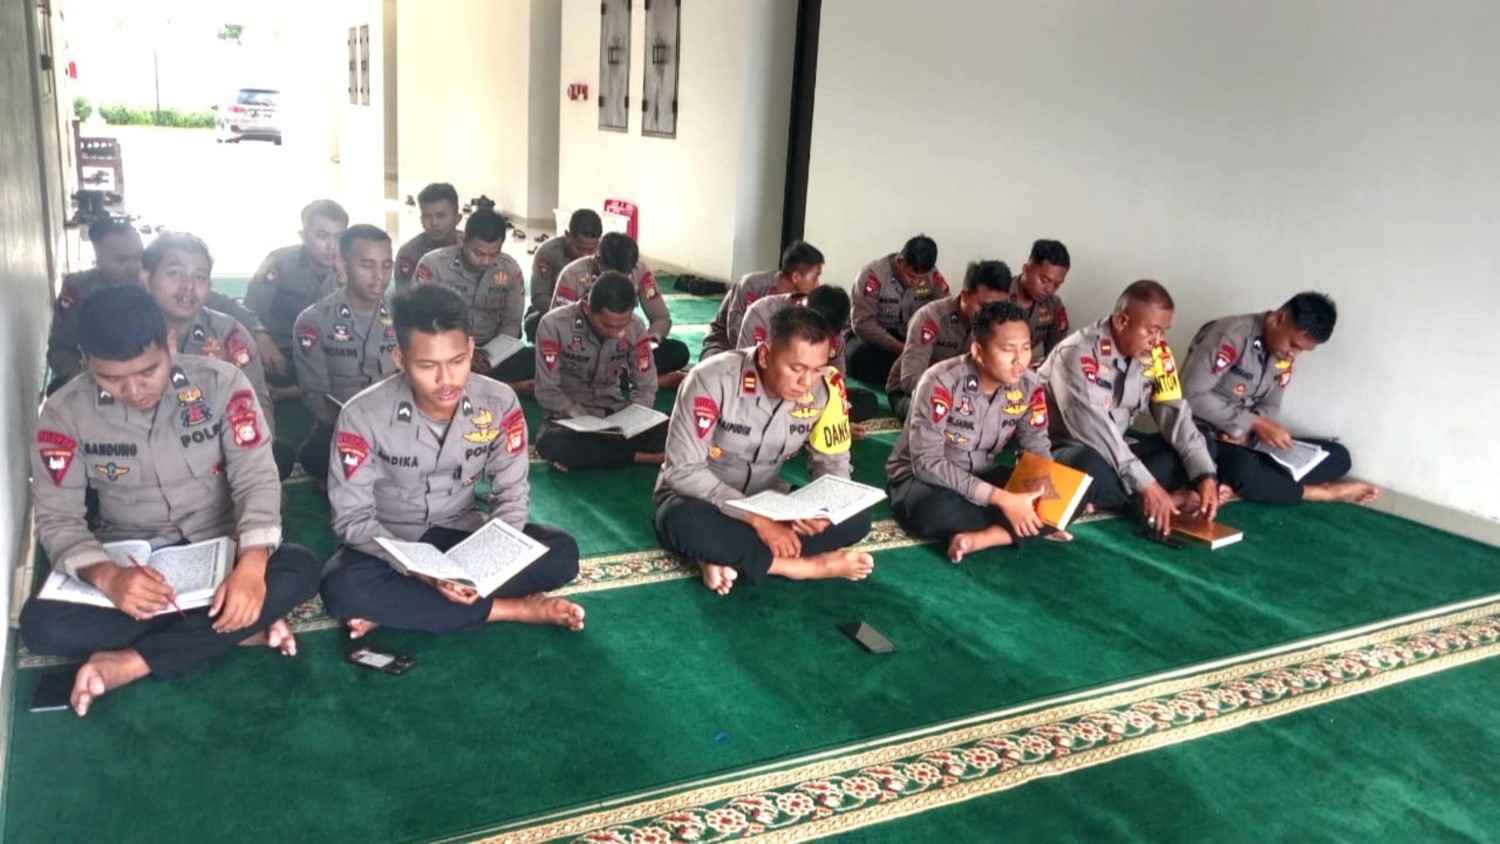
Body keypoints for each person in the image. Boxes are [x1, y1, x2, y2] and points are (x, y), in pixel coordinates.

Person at [20, 286, 319, 717]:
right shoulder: (64, 412)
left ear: (171, 344)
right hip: (132, 564)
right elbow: (58, 517)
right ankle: (232, 630)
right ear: (88, 363)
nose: (133, 390)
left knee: (300, 569)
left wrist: (252, 567)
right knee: (42, 625)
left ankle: (132, 662)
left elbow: (256, 479)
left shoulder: (221, 385)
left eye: (148, 371)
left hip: (220, 553)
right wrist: (108, 577)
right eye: (111, 378)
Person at [320, 284, 584, 638]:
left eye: (457, 362)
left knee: (562, 553)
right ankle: (511, 609)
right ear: (400, 358)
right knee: (340, 587)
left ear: (471, 349)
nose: (446, 381)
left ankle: (402, 608)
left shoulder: (499, 401)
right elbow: (352, 519)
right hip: (393, 543)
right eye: (427, 366)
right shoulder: (362, 414)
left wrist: (489, 561)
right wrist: (424, 572)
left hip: (464, 534)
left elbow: (511, 496)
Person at [653, 305, 875, 596]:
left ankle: (719, 555)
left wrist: (824, 509)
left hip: (771, 500)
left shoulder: (825, 388)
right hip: (704, 501)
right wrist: (757, 520)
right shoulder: (712, 379)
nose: (806, 383)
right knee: (682, 522)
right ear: (765, 354)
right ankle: (801, 567)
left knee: (857, 517)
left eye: (816, 369)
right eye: (796, 369)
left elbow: (833, 465)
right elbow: (682, 471)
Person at [1039, 280, 1225, 536]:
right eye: (1151, 331)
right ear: (1122, 321)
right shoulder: (1077, 353)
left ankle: (1113, 500)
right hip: (1066, 450)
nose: (1157, 341)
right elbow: (1095, 433)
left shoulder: (1158, 355)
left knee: (1203, 444)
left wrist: (1206, 477)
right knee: (1089, 468)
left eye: (1163, 332)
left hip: (1118, 452)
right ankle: (1155, 500)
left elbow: (1176, 415)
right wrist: (1147, 484)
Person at [888, 301, 1056, 562]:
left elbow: (1036, 446)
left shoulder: (1029, 385)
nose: (1020, 360)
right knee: (931, 512)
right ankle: (1020, 524)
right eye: (1008, 350)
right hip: (925, 479)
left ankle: (983, 538)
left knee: (1064, 499)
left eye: (1025, 348)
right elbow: (926, 463)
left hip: (983, 473)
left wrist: (1047, 494)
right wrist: (1002, 499)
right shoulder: (940, 381)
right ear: (978, 351)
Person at [1184, 292, 1378, 504]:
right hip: (1205, 436)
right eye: (1293, 345)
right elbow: (1191, 394)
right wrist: (1252, 423)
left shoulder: (1282, 355)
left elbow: (1271, 404)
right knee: (1243, 469)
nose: (1293, 354)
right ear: (1279, 319)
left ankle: (1239, 486)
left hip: (1247, 441)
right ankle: (1323, 493)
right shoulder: (1230, 335)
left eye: (1302, 350)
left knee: (1338, 457)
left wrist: (1249, 431)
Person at [46, 220, 263, 393]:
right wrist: (89, 381)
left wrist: (259, 331)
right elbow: (60, 348)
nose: (134, 267)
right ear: (98, 259)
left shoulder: (165, 287)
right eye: (122, 260)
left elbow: (216, 300)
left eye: (138, 258)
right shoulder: (80, 290)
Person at [291, 224, 400, 484]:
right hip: (342, 423)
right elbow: (315, 393)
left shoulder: (403, 313)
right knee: (317, 458)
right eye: (367, 265)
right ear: (342, 263)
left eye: (386, 266)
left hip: (396, 419)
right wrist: (357, 429)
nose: (379, 276)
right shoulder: (314, 321)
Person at [142, 232, 273, 432]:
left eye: (200, 277)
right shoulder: (122, 334)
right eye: (175, 273)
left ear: (210, 285)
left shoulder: (229, 336)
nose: (188, 286)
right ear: (146, 279)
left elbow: (257, 407)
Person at [533, 271, 664, 471]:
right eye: (608, 325)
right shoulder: (554, 324)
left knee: (672, 428)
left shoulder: (636, 326)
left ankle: (605, 454)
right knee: (551, 444)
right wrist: (580, 416)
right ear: (587, 309)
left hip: (615, 413)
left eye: (623, 325)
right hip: (570, 419)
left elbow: (646, 385)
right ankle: (641, 457)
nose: (617, 333)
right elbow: (547, 390)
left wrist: (634, 420)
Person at [411, 208, 535, 386]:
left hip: (491, 353)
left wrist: (489, 356)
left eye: (494, 254)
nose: (486, 261)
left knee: (537, 359)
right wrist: (463, 353)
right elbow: (420, 320)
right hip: (445, 350)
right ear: (463, 241)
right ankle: (500, 386)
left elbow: (512, 323)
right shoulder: (433, 265)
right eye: (478, 253)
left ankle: (476, 381)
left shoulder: (510, 269)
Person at [550, 232, 691, 382]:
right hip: (585, 350)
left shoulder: (639, 271)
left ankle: (621, 377)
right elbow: (558, 328)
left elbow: (660, 317)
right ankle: (637, 379)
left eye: (625, 276)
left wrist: (651, 339)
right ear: (597, 260)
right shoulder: (572, 275)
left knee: (678, 351)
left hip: (626, 349)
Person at [245, 199, 350, 395]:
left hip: (328, 355)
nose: (332, 246)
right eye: (322, 236)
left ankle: (292, 392)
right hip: (282, 353)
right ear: (303, 235)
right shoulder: (280, 262)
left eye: (339, 237)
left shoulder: (352, 267)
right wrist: (260, 335)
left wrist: (346, 282)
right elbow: (250, 309)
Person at [887, 259, 1013, 419]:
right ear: (964, 295)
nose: (990, 315)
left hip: (969, 396)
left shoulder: (1001, 324)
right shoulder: (930, 317)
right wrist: (960, 401)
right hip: (914, 394)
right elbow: (910, 380)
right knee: (937, 415)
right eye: (983, 306)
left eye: (997, 308)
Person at [736, 284, 880, 423]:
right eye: (796, 367)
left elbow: (837, 381)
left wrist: (836, 419)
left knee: (866, 402)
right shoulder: (761, 313)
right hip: (767, 389)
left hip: (808, 397)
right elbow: (747, 369)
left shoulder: (832, 335)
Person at [846, 234, 949, 388]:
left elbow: (945, 311)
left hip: (909, 339)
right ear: (900, 261)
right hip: (874, 340)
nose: (915, 282)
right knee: (858, 357)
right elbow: (862, 324)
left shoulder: (932, 276)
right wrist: (902, 348)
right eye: (911, 276)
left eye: (920, 279)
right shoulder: (873, 275)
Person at [701, 240, 824, 359]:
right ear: (796, 277)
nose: (817, 285)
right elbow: (734, 333)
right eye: (815, 278)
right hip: (723, 345)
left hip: (763, 354)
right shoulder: (751, 286)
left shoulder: (800, 301)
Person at [524, 208, 603, 341]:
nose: (585, 255)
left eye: (591, 250)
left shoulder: (604, 254)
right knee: (533, 325)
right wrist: (568, 317)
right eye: (579, 248)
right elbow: (539, 297)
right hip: (554, 309)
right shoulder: (548, 252)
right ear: (567, 236)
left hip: (594, 316)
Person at [1008, 239, 1072, 363]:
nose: (1050, 289)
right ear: (1026, 269)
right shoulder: (998, 294)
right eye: (1044, 280)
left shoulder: (1054, 306)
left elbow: (1055, 354)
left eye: (1057, 284)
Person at [394, 182, 462, 287]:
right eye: (427, 216)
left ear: (457, 218)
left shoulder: (473, 250)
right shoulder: (409, 254)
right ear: (421, 219)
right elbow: (405, 295)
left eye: (441, 216)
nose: (434, 223)